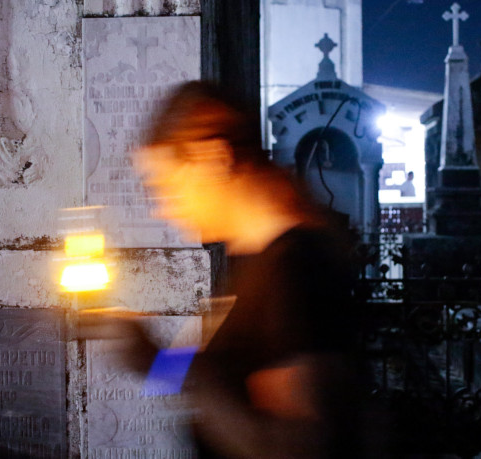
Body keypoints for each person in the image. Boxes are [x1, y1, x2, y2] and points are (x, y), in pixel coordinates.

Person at [84, 81, 362, 458]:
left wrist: (159, 364)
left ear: (213, 159)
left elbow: (296, 446)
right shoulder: (249, 261)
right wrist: (152, 358)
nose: (162, 208)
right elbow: (228, 370)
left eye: (165, 185)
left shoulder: (293, 269)